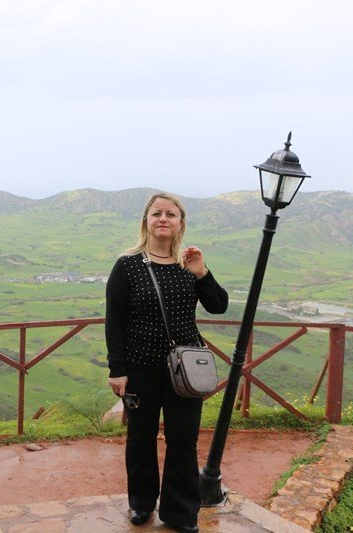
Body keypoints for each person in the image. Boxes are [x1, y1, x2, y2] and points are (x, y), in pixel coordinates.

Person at [105, 192, 228, 532]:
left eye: (170, 214)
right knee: (140, 439)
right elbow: (114, 321)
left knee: (183, 441)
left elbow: (218, 306)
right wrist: (117, 370)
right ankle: (141, 503)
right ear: (146, 221)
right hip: (140, 368)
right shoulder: (127, 265)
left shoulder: (189, 264)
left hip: (184, 372)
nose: (163, 218)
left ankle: (180, 513)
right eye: (157, 213)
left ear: (180, 223)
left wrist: (202, 273)